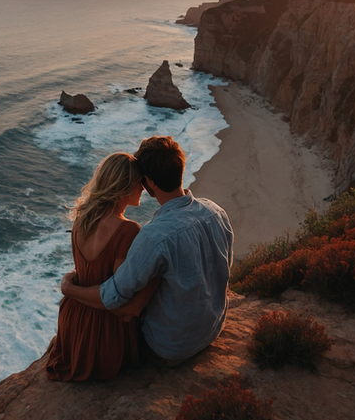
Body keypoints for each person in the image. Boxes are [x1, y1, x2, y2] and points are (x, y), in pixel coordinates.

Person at [61, 136, 234, 367]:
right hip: (213, 329)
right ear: (180, 168)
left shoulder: (154, 237)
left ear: (149, 182)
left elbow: (114, 296)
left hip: (170, 348)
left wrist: (69, 288)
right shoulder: (216, 211)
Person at [46, 152, 158, 381]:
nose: (144, 189)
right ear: (124, 187)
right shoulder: (128, 230)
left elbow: (87, 270)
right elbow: (122, 292)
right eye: (140, 183)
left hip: (72, 317)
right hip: (103, 327)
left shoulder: (81, 219)